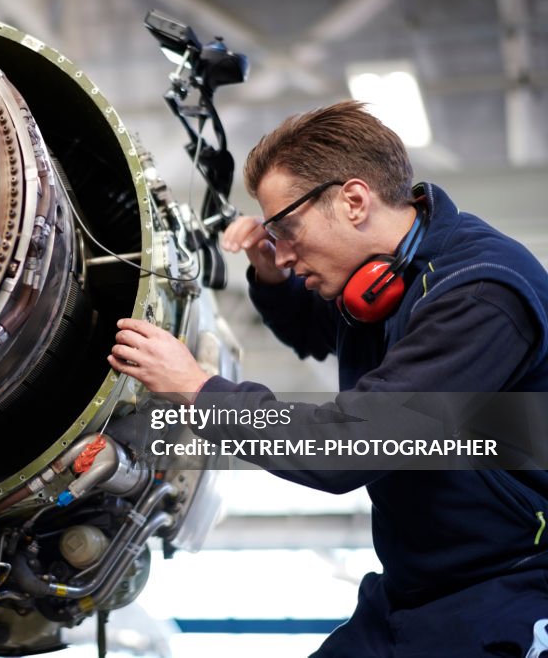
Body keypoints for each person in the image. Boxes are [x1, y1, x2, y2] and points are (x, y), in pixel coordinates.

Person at [109, 101, 548, 657]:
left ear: (354, 200)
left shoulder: (481, 296)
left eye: (288, 229)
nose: (286, 253)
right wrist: (270, 275)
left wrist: (199, 390)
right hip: (410, 590)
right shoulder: (385, 276)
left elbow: (348, 448)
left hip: (507, 589)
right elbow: (318, 330)